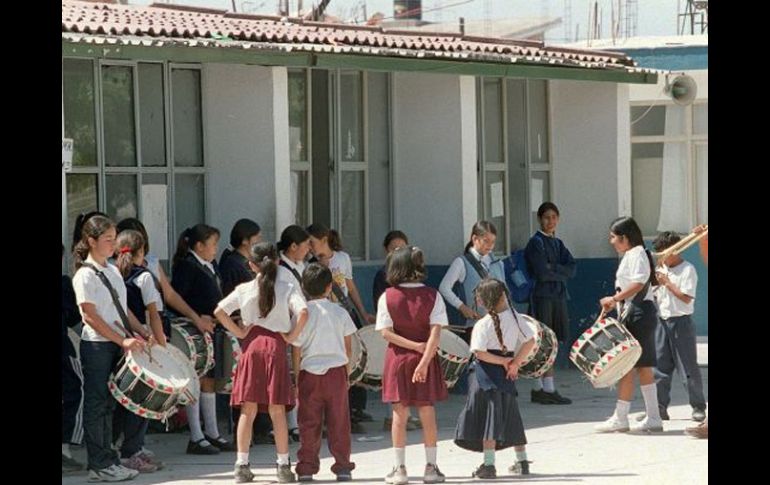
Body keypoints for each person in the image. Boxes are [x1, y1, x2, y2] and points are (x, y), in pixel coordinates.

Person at [213, 242, 308, 483]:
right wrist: (291, 336)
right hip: (276, 346)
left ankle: (241, 465)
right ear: (277, 261)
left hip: (251, 346)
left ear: (252, 265)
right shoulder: (287, 286)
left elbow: (219, 311)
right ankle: (284, 465)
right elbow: (304, 312)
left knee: (248, 408)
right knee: (277, 409)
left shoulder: (244, 288)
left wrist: (239, 332)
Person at [72, 214, 147, 482]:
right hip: (97, 347)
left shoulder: (113, 270)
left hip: (116, 342)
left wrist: (140, 330)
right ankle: (99, 463)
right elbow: (89, 316)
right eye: (107, 240)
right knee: (97, 404)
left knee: (111, 405)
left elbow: (122, 307)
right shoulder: (84, 275)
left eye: (114, 239)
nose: (113, 245)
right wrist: (122, 340)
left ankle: (110, 459)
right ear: (91, 241)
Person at [376, 246, 448, 485]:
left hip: (397, 360)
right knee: (427, 411)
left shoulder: (386, 297)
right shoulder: (433, 295)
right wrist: (424, 359)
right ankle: (431, 467)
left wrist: (412, 346)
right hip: (425, 359)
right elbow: (435, 335)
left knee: (399, 413)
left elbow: (386, 333)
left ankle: (399, 469)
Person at [454, 278, 536, 478]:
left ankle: (489, 465)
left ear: (482, 301)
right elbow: (530, 341)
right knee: (512, 416)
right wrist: (514, 363)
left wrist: (502, 362)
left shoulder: (483, 324)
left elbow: (480, 353)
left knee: (487, 418)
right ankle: (522, 461)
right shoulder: (516, 318)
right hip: (508, 373)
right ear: (503, 296)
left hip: (485, 375)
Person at [595, 217, 663, 433]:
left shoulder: (636, 255)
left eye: (614, 236)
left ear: (625, 237)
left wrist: (614, 299)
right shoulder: (633, 255)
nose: (611, 240)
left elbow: (639, 282)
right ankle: (653, 417)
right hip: (638, 313)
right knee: (643, 367)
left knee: (628, 365)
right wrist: (615, 301)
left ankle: (622, 416)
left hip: (639, 314)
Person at [171, 224, 235, 454]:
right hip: (193, 331)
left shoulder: (211, 265)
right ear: (199, 246)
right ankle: (196, 435)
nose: (216, 249)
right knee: (195, 380)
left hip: (212, 330)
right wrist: (197, 317)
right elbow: (176, 299)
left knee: (209, 379)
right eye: (213, 244)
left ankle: (212, 432)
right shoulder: (186, 266)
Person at [291, 263, 357, 482]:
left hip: (309, 373)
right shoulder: (340, 312)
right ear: (330, 287)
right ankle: (343, 467)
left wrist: (297, 376)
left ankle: (307, 468)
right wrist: (346, 373)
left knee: (308, 422)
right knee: (339, 421)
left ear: (303, 288)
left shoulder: (302, 315)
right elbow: (348, 347)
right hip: (337, 373)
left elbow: (297, 348)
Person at [307, 222, 374, 432]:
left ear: (324, 240)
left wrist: (362, 312)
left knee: (353, 358)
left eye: (312, 242)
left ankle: (354, 410)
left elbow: (350, 287)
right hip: (323, 317)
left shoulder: (342, 258)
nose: (309, 247)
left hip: (343, 313)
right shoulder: (310, 262)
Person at [650, 231, 706, 422]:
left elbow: (686, 297)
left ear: (675, 250)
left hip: (681, 322)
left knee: (688, 367)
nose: (662, 257)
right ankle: (660, 407)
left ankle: (698, 406)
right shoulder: (661, 269)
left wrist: (668, 283)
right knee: (660, 366)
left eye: (664, 252)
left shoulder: (687, 269)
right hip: (662, 320)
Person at [524, 202, 575, 405]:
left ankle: (547, 387)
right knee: (542, 341)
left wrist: (554, 268)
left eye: (554, 217)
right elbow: (541, 273)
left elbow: (572, 267)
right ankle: (541, 387)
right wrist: (557, 271)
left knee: (554, 340)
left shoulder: (558, 243)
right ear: (539, 219)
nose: (550, 221)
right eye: (547, 217)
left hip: (558, 297)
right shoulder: (535, 243)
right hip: (542, 297)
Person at [62, 243, 85, 473]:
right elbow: (73, 319)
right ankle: (65, 448)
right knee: (76, 388)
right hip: (63, 348)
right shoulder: (63, 284)